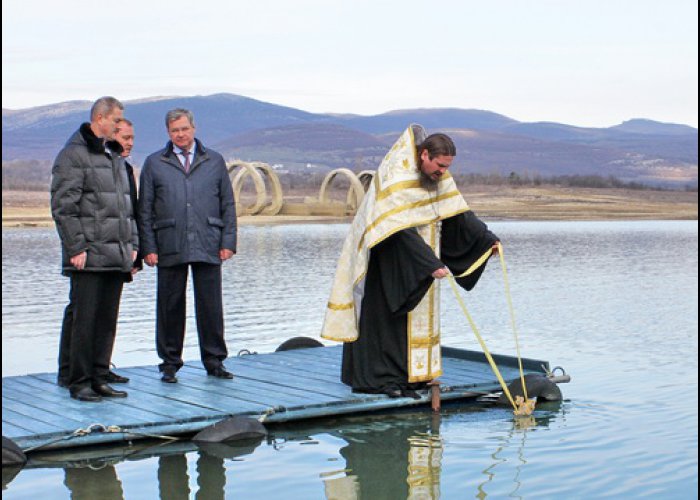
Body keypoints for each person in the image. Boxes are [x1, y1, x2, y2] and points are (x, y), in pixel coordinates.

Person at [321, 125, 499, 398]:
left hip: (422, 264)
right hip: (387, 262)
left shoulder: (438, 179)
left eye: (447, 167)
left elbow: (458, 213)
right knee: (386, 320)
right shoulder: (396, 177)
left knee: (416, 319)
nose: (442, 172)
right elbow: (396, 228)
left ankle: (415, 377)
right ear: (424, 155)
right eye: (439, 165)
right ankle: (380, 380)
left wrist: (487, 240)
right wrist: (429, 262)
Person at [139, 108, 237, 383]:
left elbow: (227, 204)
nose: (180, 135)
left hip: (209, 239)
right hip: (168, 240)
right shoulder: (154, 162)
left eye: (184, 129)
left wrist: (228, 241)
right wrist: (148, 246)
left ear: (193, 128)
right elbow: (144, 209)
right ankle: (169, 363)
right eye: (174, 131)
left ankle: (214, 361)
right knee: (169, 305)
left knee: (211, 305)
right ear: (168, 133)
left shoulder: (214, 160)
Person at [51, 96, 138, 402]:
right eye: (116, 121)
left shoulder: (113, 156)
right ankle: (80, 382)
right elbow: (64, 206)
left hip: (116, 254)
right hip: (87, 254)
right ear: (100, 118)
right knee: (85, 320)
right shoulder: (73, 155)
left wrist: (132, 246)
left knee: (106, 320)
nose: (119, 127)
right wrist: (76, 247)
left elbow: (127, 208)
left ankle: (100, 377)